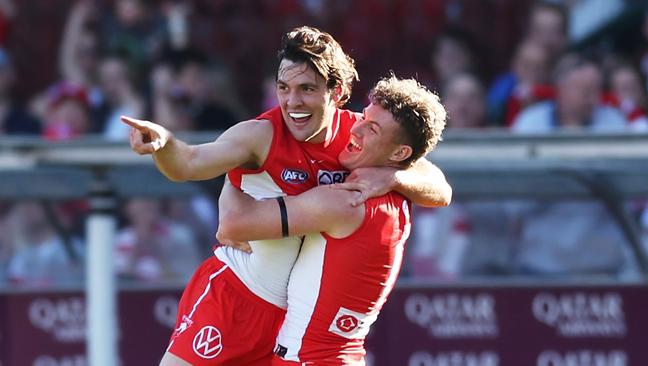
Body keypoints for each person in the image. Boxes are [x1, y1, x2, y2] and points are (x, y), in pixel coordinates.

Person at [123, 26, 451, 366]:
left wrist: (393, 174)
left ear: (336, 93)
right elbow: (190, 163)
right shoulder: (260, 135)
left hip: (290, 323)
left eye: (306, 89)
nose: (292, 102)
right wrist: (164, 144)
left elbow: (440, 188)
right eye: (284, 88)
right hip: (235, 299)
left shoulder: (359, 138)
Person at [217, 75, 447, 365]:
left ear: (400, 153)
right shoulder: (397, 193)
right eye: (363, 117)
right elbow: (440, 185)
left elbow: (233, 225)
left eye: (372, 129)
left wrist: (241, 165)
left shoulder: (347, 200)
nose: (357, 128)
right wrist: (394, 175)